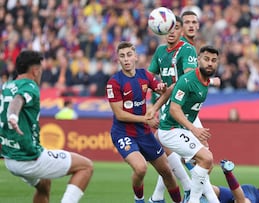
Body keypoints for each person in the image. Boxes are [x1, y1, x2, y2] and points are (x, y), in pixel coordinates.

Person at [0, 50, 93, 203]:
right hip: (28, 158)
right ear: (35, 70)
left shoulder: (8, 86)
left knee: (44, 184)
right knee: (86, 166)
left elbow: (14, 100)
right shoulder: (30, 85)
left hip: (10, 158)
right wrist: (13, 116)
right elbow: (18, 100)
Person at [106, 41, 182, 203]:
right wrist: (146, 119)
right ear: (118, 60)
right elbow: (120, 114)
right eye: (122, 56)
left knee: (167, 171)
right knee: (141, 168)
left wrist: (161, 89)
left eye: (129, 55)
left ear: (136, 57)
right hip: (123, 133)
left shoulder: (145, 76)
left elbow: (163, 89)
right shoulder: (114, 82)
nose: (126, 59)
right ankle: (138, 199)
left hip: (144, 132)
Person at [157, 45, 220, 203]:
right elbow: (174, 108)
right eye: (206, 59)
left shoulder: (204, 81)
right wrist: (194, 130)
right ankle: (193, 199)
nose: (210, 63)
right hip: (170, 130)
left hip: (182, 130)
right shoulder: (188, 80)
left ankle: (206, 199)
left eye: (213, 60)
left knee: (206, 165)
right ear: (198, 60)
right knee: (206, 158)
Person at [147, 15, 198, 203]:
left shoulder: (187, 50)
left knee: (167, 143)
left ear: (181, 31)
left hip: (180, 105)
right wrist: (155, 87)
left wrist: (156, 105)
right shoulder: (160, 51)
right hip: (165, 104)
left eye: (176, 28)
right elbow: (149, 78)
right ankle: (159, 196)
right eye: (169, 28)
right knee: (168, 147)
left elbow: (187, 81)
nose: (172, 31)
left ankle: (189, 187)